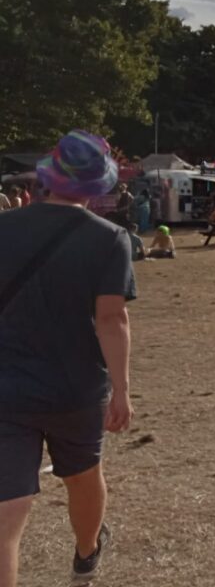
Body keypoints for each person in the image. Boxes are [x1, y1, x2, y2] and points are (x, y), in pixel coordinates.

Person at [0, 130, 135, 587]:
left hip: (6, 389)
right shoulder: (110, 239)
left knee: (4, 521)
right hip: (75, 388)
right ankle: (86, 555)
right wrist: (122, 389)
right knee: (81, 476)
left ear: (47, 177)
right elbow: (111, 319)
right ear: (97, 187)